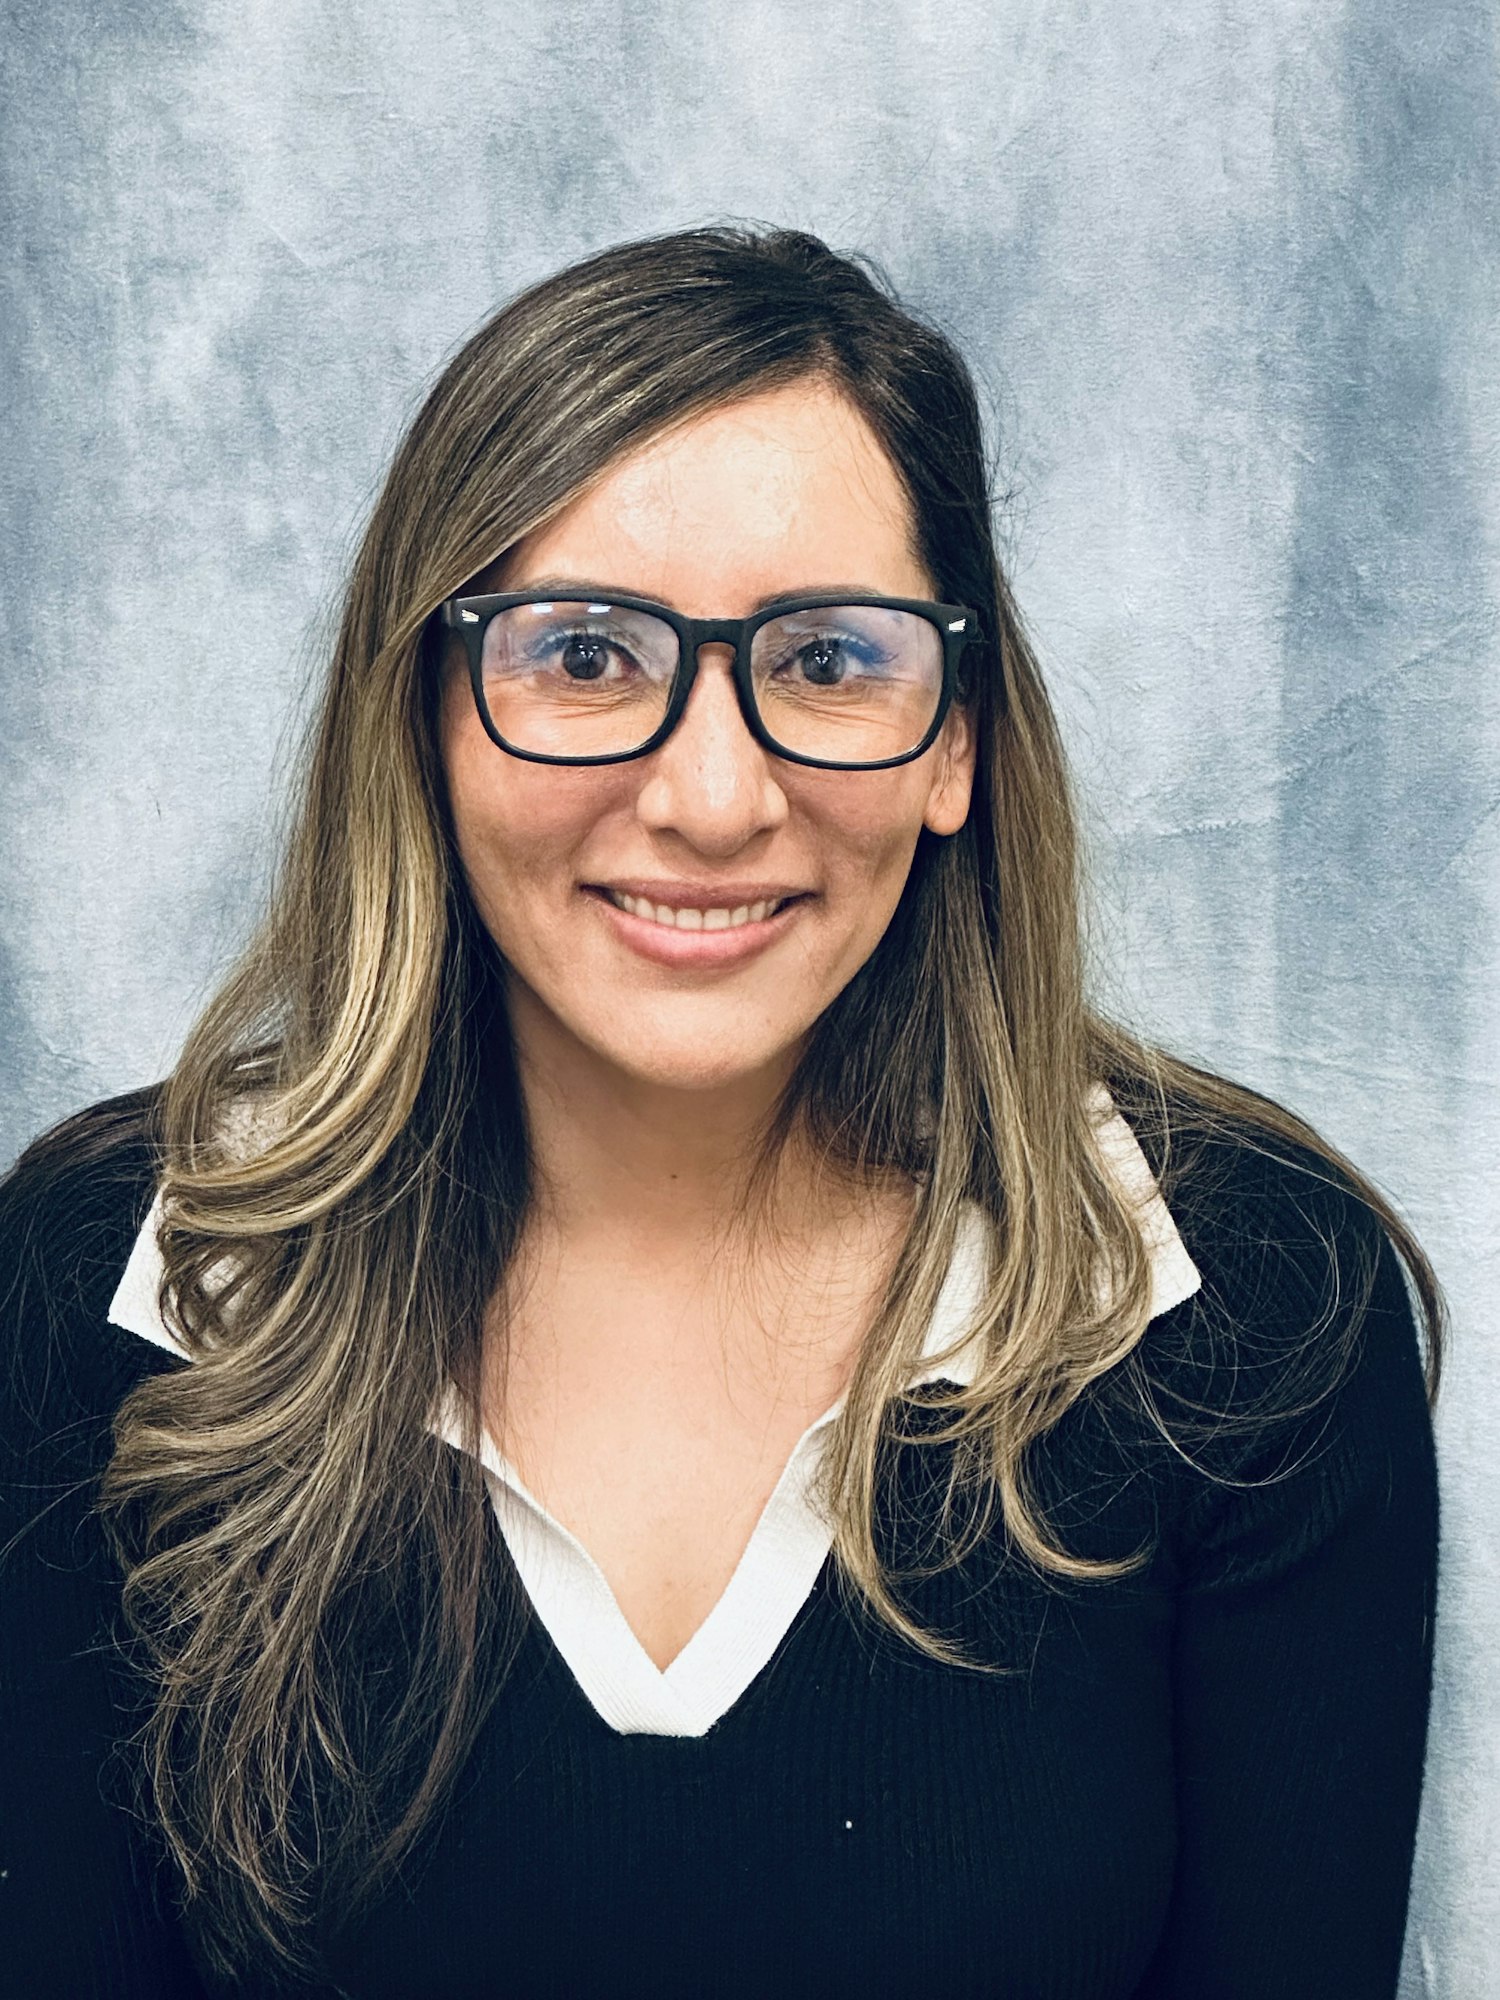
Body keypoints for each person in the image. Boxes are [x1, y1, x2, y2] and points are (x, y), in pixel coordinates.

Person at [0, 226, 1441, 2000]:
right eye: (586, 656)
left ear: (955, 740)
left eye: (829, 660)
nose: (709, 795)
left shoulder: (1250, 1305)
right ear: (430, 716)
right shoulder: (129, 1275)